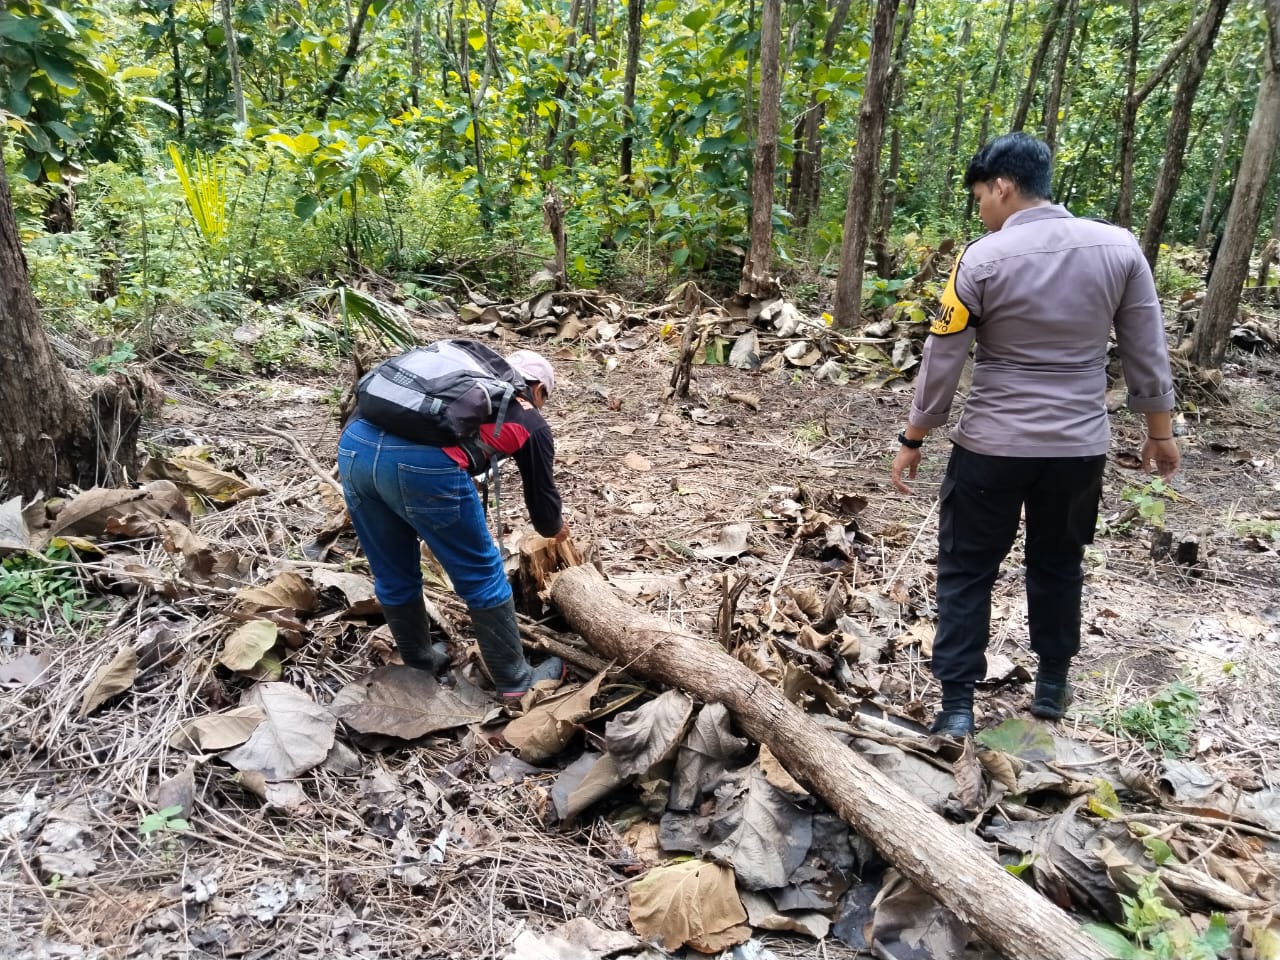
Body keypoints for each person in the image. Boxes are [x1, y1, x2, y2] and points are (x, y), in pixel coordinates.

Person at [890, 133, 1181, 737]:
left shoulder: (981, 258)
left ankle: (958, 706)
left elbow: (943, 355)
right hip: (1077, 447)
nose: (980, 211)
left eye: (980, 197)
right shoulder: (1120, 249)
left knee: (967, 566)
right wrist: (1159, 430)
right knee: (1059, 562)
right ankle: (1051, 686)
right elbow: (1144, 347)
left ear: (1002, 185)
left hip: (992, 445)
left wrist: (915, 434)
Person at [337, 346, 569, 699]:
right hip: (422, 466)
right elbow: (542, 505)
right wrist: (556, 530)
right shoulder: (530, 418)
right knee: (481, 572)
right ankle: (515, 680)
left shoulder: (458, 380)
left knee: (392, 568)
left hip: (355, 444)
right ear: (539, 390)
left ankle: (420, 660)